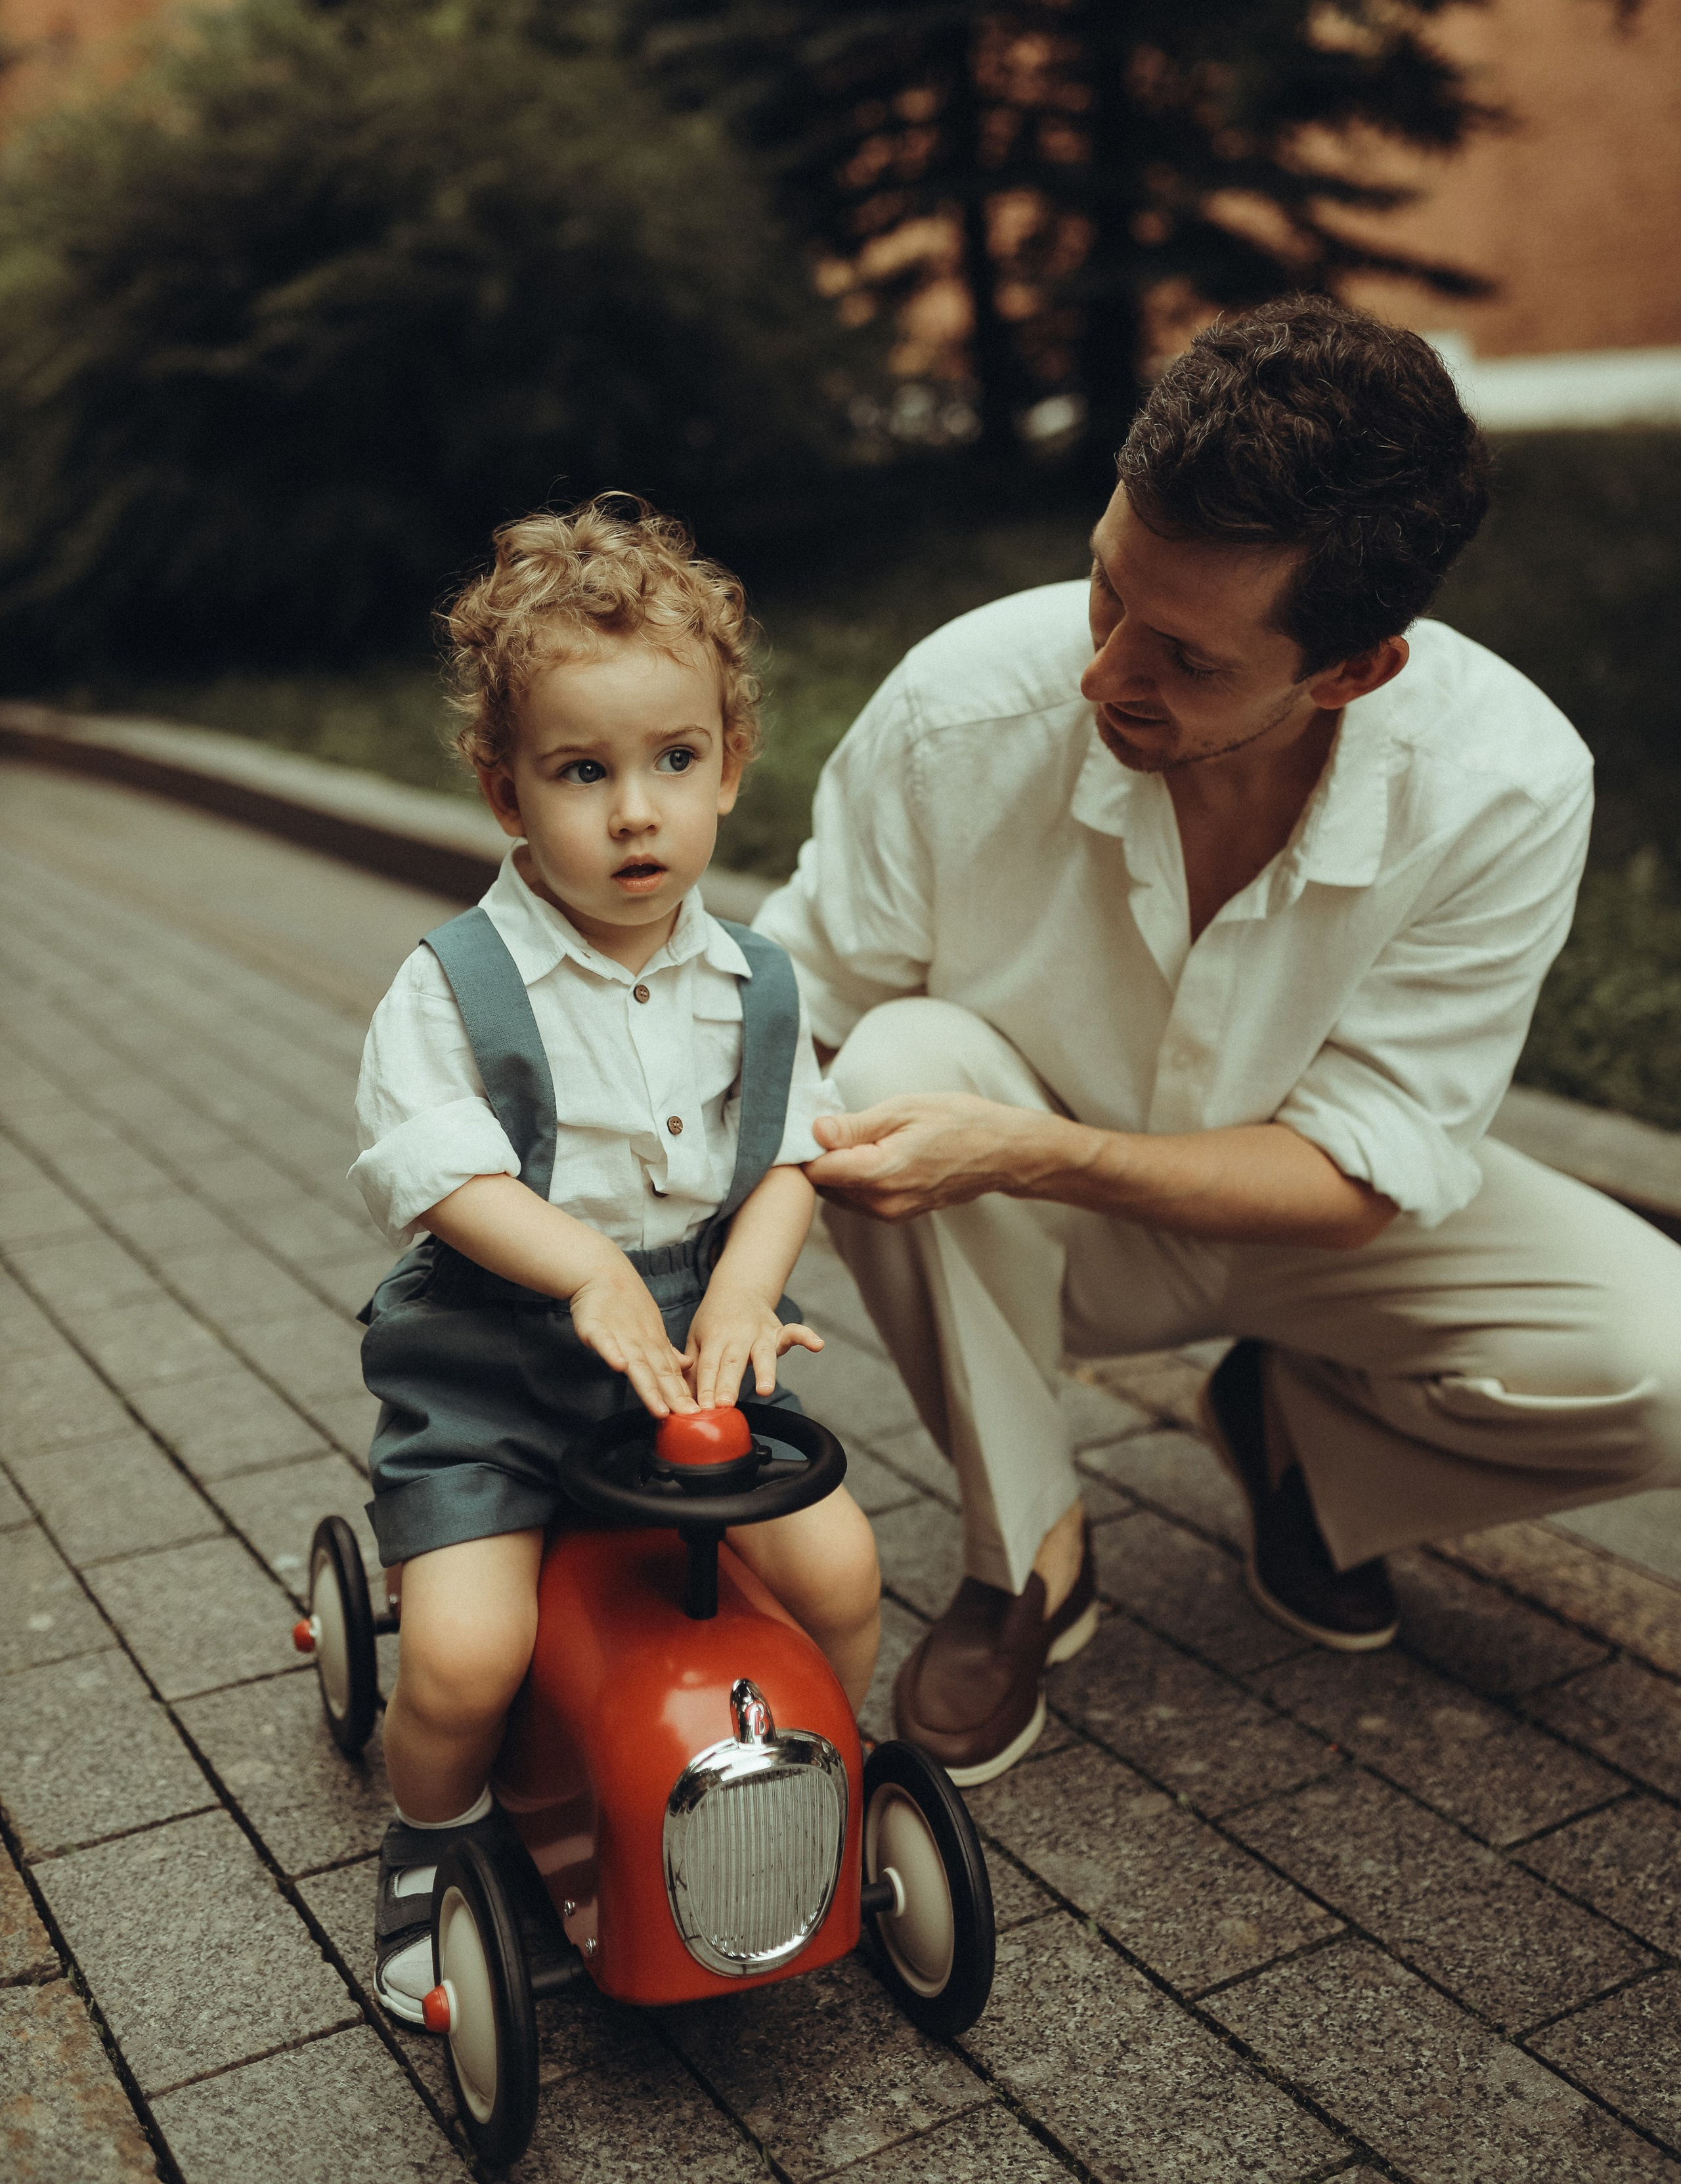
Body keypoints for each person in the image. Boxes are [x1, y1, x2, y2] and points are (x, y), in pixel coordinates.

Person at [755, 294, 1681, 1787]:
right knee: (893, 1068)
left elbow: (1371, 1167)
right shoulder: (953, 709)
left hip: (1302, 1218)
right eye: (1102, 589)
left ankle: (1300, 1448)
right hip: (1016, 1236)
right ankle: (1027, 1555)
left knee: (1662, 1367)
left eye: (1183, 658)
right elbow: (790, 1012)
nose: (1104, 672)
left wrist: (1041, 1152)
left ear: (1353, 668)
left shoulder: (1504, 783)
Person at [348, 500, 880, 2021]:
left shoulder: (755, 983)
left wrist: (742, 1285)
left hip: (685, 1357)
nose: (635, 815)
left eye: (673, 763)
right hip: (497, 1367)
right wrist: (580, 1263)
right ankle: (428, 1834)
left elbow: (792, 1150)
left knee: (839, 1564)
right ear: (502, 788)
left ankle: (821, 1778)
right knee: (463, 1654)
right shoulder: (453, 981)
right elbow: (431, 1163)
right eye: (583, 774)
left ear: (729, 761)